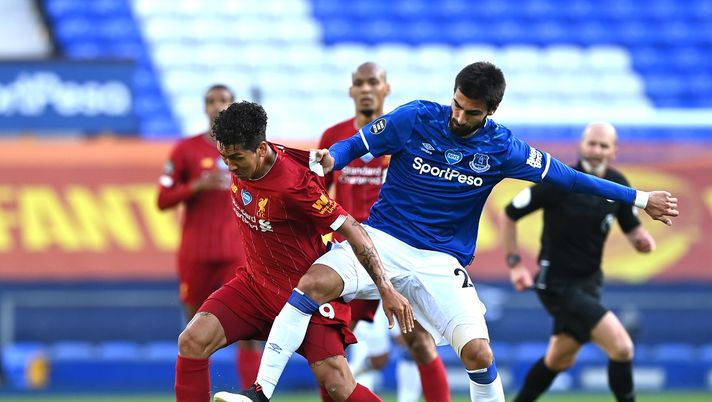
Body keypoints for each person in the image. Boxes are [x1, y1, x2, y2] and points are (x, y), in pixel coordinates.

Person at [225, 61, 679, 402]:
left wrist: (639, 199)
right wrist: (333, 158)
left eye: (471, 112)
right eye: (457, 105)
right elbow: (358, 144)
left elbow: (571, 178)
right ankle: (260, 392)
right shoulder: (416, 117)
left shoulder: (504, 148)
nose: (459, 117)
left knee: (479, 355)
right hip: (383, 238)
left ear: (491, 111)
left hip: (441, 262)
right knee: (311, 284)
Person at [175, 101, 414, 402]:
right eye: (224, 158)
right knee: (192, 340)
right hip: (254, 286)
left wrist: (385, 287)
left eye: (236, 158)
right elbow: (306, 157)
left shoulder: (295, 187)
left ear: (260, 149)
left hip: (304, 296)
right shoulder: (256, 152)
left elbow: (353, 228)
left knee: (337, 384)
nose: (230, 167)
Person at [318, 62, 449, 402]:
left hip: (395, 254)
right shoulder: (333, 138)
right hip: (348, 257)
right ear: (350, 91)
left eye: (372, 82)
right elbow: (316, 196)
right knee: (325, 348)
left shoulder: (405, 135)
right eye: (358, 83)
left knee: (419, 342)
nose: (365, 89)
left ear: (386, 89)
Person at [501, 122, 655, 402]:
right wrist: (514, 264)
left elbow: (631, 226)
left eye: (603, 145)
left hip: (590, 284)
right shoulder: (560, 180)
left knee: (559, 359)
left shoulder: (618, 184)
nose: (596, 150)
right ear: (581, 145)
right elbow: (510, 214)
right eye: (591, 143)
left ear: (614, 151)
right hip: (557, 284)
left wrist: (642, 240)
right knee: (622, 347)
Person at [157, 84, 261, 388]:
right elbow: (162, 199)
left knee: (249, 331)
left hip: (236, 253)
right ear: (204, 107)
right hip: (196, 253)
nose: (217, 106)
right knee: (194, 331)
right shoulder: (185, 150)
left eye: (224, 101)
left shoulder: (249, 149)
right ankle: (195, 391)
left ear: (232, 106)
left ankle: (252, 394)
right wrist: (195, 187)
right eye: (211, 101)